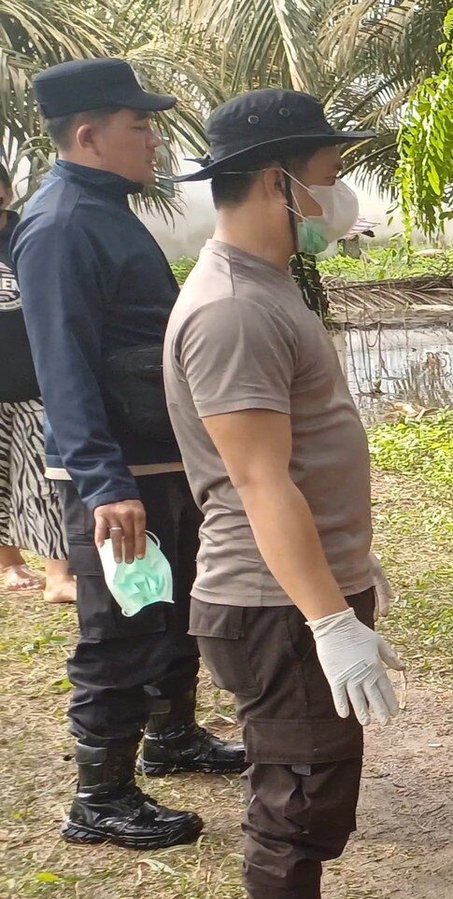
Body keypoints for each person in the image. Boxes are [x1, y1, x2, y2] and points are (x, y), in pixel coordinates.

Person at [165, 89, 402, 899]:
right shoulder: (232, 309)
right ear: (278, 182)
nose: (339, 196)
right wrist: (330, 618)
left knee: (313, 800)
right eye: (330, 174)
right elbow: (259, 481)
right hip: (274, 604)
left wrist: (349, 569)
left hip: (298, 589)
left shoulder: (266, 284)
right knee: (294, 812)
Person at [11, 58, 246, 851]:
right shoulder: (60, 225)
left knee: (173, 610)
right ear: (88, 135)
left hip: (161, 456)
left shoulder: (102, 207)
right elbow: (62, 364)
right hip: (116, 474)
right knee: (118, 628)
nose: (151, 137)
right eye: (138, 124)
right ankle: (99, 796)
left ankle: (171, 735)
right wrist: (105, 480)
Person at [0, 161, 75, 604]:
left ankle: (57, 575)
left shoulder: (28, 239)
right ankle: (9, 564)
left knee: (47, 480)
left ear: (5, 194)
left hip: (31, 381)